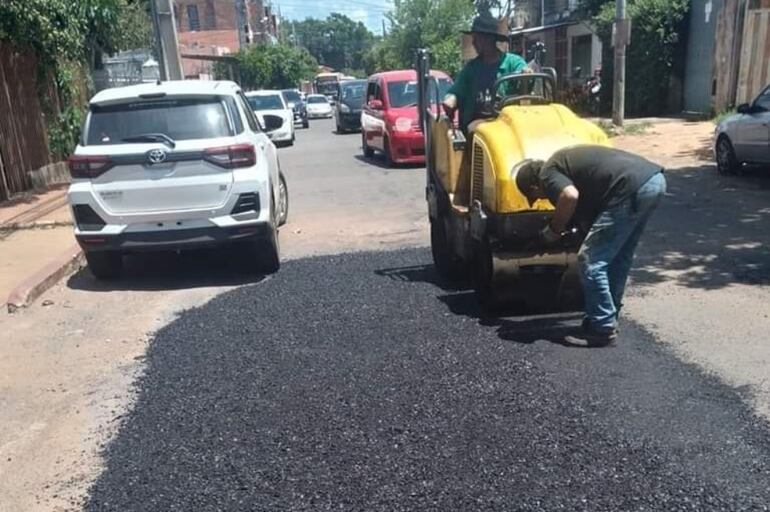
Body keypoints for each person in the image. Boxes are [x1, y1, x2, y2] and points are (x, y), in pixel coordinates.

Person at [515, 145, 666, 346]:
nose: (543, 199)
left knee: (590, 260)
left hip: (629, 187)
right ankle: (607, 317)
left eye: (538, 196)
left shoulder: (547, 172)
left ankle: (602, 328)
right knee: (618, 257)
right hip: (653, 181)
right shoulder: (566, 164)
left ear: (534, 186)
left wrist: (553, 230)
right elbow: (588, 209)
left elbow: (569, 196)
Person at [442, 13, 528, 133]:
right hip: (479, 123)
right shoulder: (471, 69)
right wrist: (451, 98)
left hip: (509, 122)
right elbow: (456, 91)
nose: (473, 43)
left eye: (477, 39)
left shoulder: (513, 63)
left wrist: (526, 72)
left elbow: (526, 74)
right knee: (474, 130)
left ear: (490, 39)